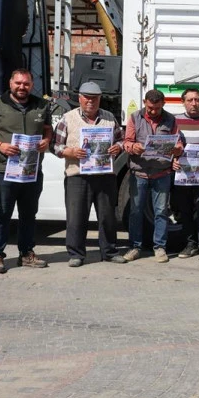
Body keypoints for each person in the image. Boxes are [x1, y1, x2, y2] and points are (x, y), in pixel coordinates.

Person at [0, 69, 53, 273]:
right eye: (18, 83)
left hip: (31, 170)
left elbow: (48, 129)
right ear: (10, 83)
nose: (22, 87)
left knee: (29, 213)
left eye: (26, 84)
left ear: (31, 85)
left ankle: (26, 253)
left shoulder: (42, 105)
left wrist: (46, 141)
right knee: (2, 214)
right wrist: (0, 146)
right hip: (4, 170)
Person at [53, 82, 125, 267]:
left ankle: (109, 251)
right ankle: (76, 254)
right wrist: (69, 152)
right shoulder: (67, 119)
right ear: (80, 98)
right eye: (87, 97)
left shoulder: (109, 118)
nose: (90, 101)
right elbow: (55, 145)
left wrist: (118, 147)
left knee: (107, 216)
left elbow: (122, 140)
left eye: (94, 98)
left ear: (100, 99)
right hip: (77, 175)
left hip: (105, 175)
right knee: (76, 216)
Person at [123, 89, 185, 263]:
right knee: (136, 211)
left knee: (160, 212)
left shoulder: (171, 119)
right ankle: (135, 247)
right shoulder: (135, 117)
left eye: (156, 108)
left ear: (163, 104)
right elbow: (127, 141)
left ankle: (160, 247)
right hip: (139, 172)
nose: (152, 111)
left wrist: (177, 149)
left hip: (162, 173)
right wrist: (133, 147)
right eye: (150, 108)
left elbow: (178, 141)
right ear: (144, 102)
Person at [172, 87, 199, 260]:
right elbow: (170, 144)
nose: (194, 103)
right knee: (185, 210)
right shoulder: (175, 121)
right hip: (182, 174)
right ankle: (190, 244)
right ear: (183, 102)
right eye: (190, 100)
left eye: (197, 100)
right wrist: (172, 160)